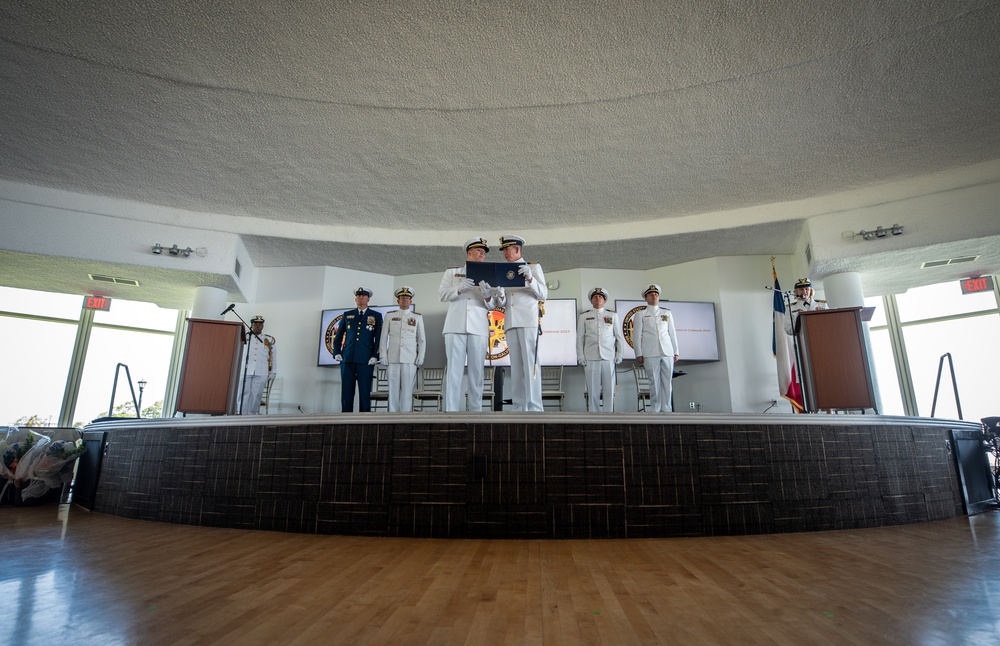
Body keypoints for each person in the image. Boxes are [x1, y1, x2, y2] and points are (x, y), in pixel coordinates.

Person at [439, 237, 503, 411]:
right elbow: (442, 295)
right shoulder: (452, 273)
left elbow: (493, 305)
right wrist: (458, 288)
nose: (482, 254)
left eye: (484, 252)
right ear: (469, 252)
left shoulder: (490, 274)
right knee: (454, 371)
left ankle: (476, 411)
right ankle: (451, 411)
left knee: (477, 372)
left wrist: (488, 296)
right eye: (479, 250)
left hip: (478, 328)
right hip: (455, 326)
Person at [496, 235, 547, 412]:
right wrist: (499, 293)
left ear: (517, 249)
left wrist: (531, 279)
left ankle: (534, 407)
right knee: (516, 366)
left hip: (527, 320)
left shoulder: (533, 267)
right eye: (503, 250)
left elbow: (543, 294)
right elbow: (503, 302)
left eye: (506, 249)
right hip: (510, 321)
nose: (504, 253)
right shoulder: (504, 271)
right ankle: (519, 406)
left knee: (530, 363)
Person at [333, 287, 383, 412]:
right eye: (358, 296)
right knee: (346, 392)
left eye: (363, 296)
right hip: (348, 358)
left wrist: (375, 355)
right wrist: (337, 352)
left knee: (365, 392)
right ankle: (346, 419)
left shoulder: (376, 316)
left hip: (366, 359)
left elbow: (379, 338)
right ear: (355, 299)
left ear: (368, 299)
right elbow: (338, 336)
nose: (361, 298)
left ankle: (365, 420)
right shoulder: (347, 315)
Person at [576, 288, 625, 412]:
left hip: (608, 356)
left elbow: (619, 337)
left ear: (604, 301)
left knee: (609, 388)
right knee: (593, 389)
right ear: (591, 300)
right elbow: (580, 338)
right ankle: (594, 414)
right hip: (591, 357)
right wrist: (580, 356)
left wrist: (619, 354)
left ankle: (609, 414)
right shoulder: (584, 316)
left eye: (600, 297)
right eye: (595, 297)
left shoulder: (612, 315)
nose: (598, 298)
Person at [378, 286, 426, 412]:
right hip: (393, 358)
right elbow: (383, 338)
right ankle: (392, 416)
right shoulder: (389, 316)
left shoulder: (417, 317)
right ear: (397, 301)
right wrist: (383, 355)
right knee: (393, 390)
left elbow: (421, 339)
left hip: (410, 359)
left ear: (411, 302)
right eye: (402, 298)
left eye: (407, 298)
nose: (405, 300)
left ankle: (405, 416)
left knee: (407, 390)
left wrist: (420, 356)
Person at [633, 284, 679, 413]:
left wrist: (676, 351)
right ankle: (655, 409)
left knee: (667, 382)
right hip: (650, 352)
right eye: (651, 294)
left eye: (656, 294)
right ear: (646, 298)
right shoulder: (641, 314)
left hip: (667, 351)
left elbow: (672, 333)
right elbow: (636, 335)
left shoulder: (666, 313)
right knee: (654, 381)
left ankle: (667, 408)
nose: (654, 296)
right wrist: (638, 353)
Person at [239, 315, 276, 415]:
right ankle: (241, 415)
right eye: (255, 323)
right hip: (245, 370)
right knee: (243, 394)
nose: (258, 325)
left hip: (261, 371)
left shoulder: (268, 340)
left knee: (257, 395)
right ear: (251, 325)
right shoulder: (244, 337)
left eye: (260, 324)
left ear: (263, 326)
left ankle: (251, 416)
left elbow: (273, 357)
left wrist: (273, 371)